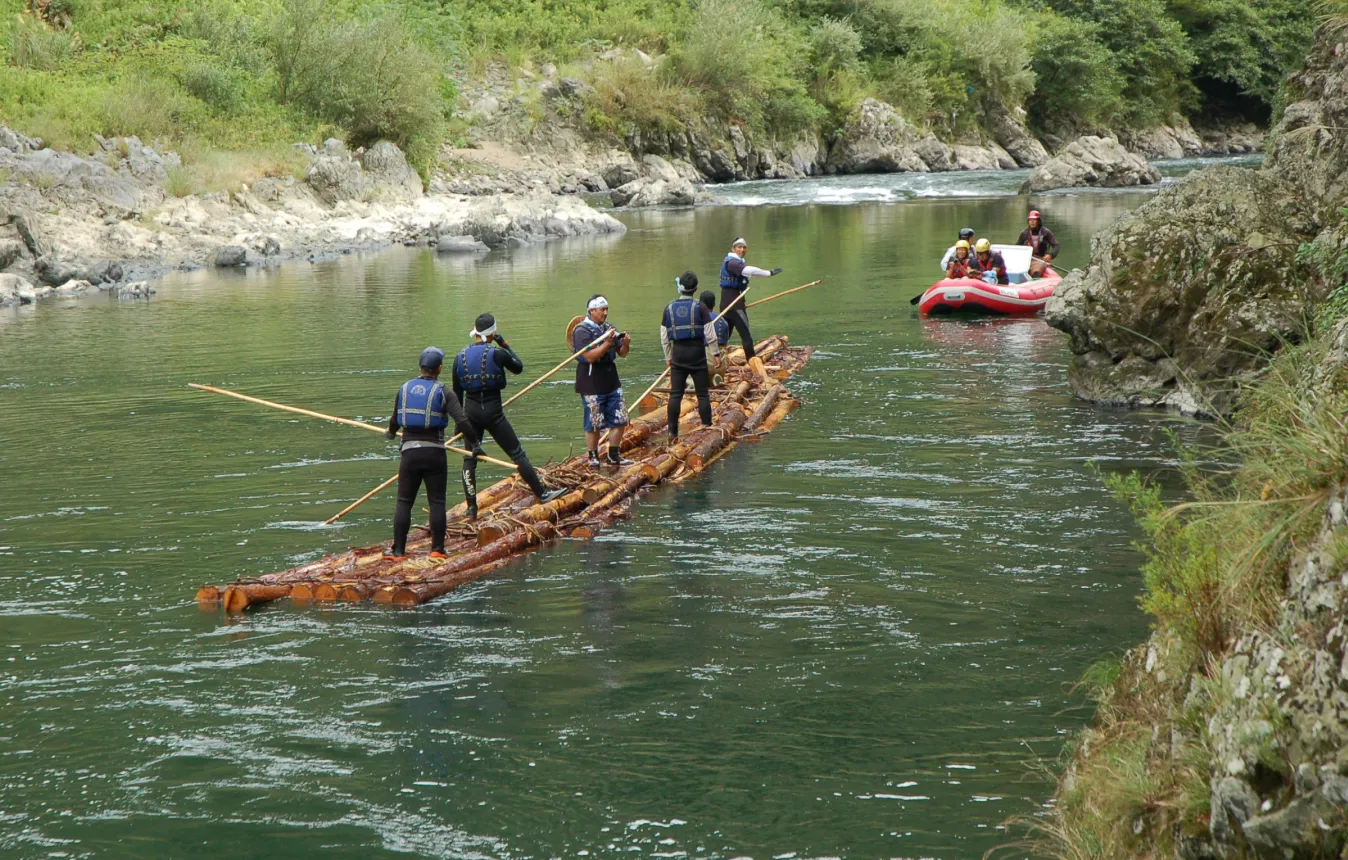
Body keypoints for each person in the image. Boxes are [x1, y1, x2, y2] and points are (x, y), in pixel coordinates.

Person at [453, 313, 567, 519]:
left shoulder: (459, 357)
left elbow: (456, 394)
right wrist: (504, 343)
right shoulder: (498, 353)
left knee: (470, 459)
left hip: (470, 415)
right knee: (517, 453)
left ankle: (471, 508)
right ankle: (542, 494)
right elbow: (518, 367)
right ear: (493, 332)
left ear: (475, 332)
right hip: (493, 413)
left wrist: (458, 425)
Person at [384, 347, 479, 560]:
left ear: (420, 366)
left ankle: (398, 551)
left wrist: (390, 434)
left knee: (404, 502)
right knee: (437, 502)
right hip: (435, 454)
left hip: (409, 453)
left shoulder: (404, 388)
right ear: (440, 368)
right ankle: (437, 550)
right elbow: (462, 421)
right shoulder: (445, 392)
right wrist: (475, 444)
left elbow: (394, 420)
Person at [573, 295, 632, 468]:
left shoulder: (610, 328)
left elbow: (622, 353)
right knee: (593, 422)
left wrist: (625, 343)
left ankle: (614, 453)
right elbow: (589, 357)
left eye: (607, 309)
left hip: (611, 380)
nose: (605, 313)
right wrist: (607, 343)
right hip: (591, 382)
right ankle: (593, 456)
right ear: (592, 311)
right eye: (602, 309)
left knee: (620, 418)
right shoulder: (581, 331)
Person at [660, 271, 718, 443]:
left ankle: (672, 433)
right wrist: (716, 354)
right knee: (702, 394)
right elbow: (710, 334)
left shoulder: (668, 308)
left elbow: (664, 337)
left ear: (680, 288)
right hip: (697, 354)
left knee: (675, 394)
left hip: (678, 354)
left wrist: (668, 358)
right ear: (696, 289)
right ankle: (707, 426)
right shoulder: (700, 307)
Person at [719, 237, 782, 360]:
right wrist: (769, 273)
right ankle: (752, 362)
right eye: (739, 247)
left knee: (724, 336)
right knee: (746, 335)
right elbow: (750, 270)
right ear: (733, 249)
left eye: (744, 247)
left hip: (726, 304)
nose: (742, 250)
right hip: (735, 305)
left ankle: (717, 361)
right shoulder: (733, 263)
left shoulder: (734, 262)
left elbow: (750, 274)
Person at [1017, 210, 1059, 277]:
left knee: (1036, 272)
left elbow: (1056, 245)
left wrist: (1051, 255)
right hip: (1027, 259)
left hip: (1041, 259)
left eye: (1034, 220)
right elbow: (1017, 247)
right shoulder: (1024, 234)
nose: (1032, 222)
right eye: (1030, 220)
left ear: (1038, 221)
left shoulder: (1045, 232)